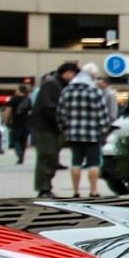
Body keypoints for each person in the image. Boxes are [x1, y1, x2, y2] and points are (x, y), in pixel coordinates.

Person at [57, 63, 110, 199]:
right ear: (91, 75)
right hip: (92, 134)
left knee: (76, 162)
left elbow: (60, 113)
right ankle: (93, 191)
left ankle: (76, 191)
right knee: (93, 163)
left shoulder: (67, 91)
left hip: (73, 134)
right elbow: (103, 114)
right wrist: (104, 131)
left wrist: (65, 128)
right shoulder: (95, 91)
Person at [32, 62, 78, 198]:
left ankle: (46, 187)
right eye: (72, 73)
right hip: (46, 127)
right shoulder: (51, 84)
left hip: (52, 127)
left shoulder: (59, 84)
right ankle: (43, 188)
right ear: (66, 72)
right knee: (46, 156)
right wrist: (61, 120)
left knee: (51, 158)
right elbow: (48, 106)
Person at [5, 85, 32, 164]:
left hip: (16, 123)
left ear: (19, 91)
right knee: (23, 141)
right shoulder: (28, 100)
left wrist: (6, 120)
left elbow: (8, 111)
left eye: (16, 90)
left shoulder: (13, 99)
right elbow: (30, 112)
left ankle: (19, 154)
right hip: (26, 123)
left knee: (16, 140)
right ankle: (22, 155)